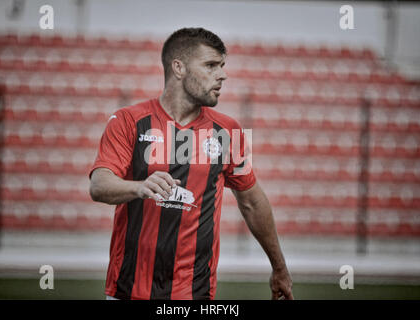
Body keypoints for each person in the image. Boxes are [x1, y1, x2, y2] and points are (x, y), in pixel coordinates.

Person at [88, 27, 293, 300]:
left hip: (194, 293)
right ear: (179, 68)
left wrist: (279, 267)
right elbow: (99, 185)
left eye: (222, 66)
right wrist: (139, 187)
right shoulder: (128, 121)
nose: (222, 75)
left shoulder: (229, 132)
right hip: (127, 290)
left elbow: (252, 202)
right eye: (210, 65)